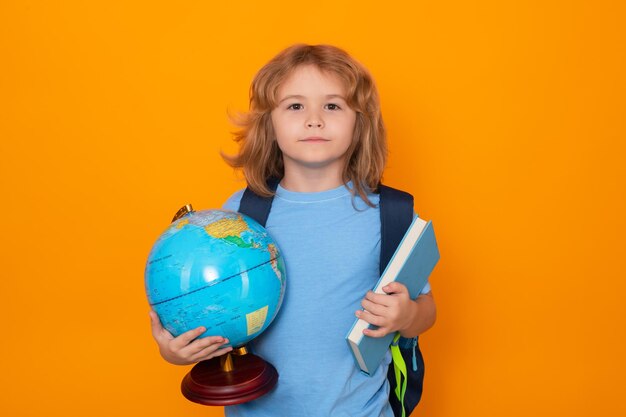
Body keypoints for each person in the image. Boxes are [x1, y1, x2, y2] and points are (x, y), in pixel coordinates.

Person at [150, 44, 437, 416]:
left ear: (359, 121)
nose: (314, 119)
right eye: (295, 106)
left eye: (332, 106)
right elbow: (210, 312)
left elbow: (427, 308)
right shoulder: (238, 215)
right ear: (269, 123)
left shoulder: (391, 215)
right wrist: (173, 350)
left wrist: (407, 316)